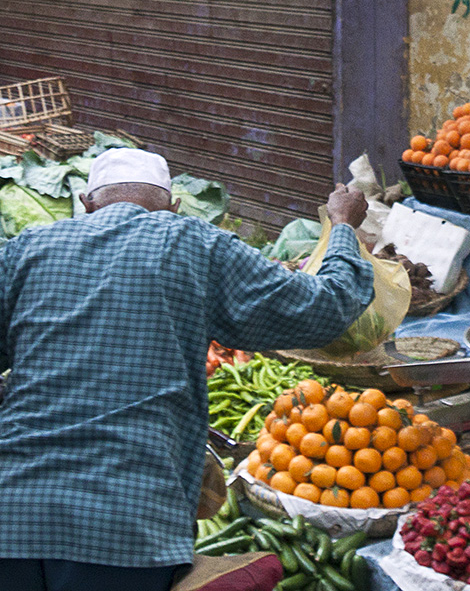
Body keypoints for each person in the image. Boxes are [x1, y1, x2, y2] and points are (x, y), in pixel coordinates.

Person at [0, 148, 377, 591]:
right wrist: (344, 227)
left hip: (12, 508)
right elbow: (325, 307)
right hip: (126, 522)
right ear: (174, 206)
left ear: (86, 203)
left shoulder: (26, 248)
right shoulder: (195, 242)